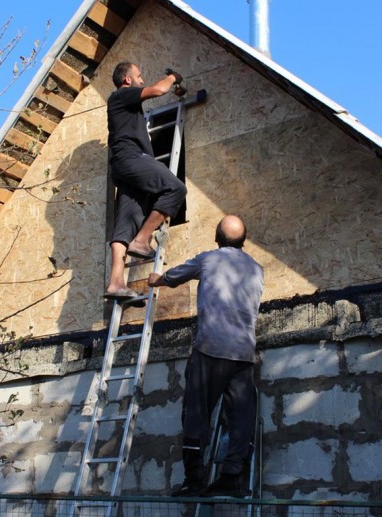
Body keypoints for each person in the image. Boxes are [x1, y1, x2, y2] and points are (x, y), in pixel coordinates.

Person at [148, 215, 264, 497]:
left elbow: (176, 276)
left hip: (210, 349)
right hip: (244, 353)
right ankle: (231, 478)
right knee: (240, 417)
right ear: (244, 240)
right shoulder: (257, 268)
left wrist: (156, 279)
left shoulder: (208, 260)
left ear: (217, 237)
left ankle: (194, 480)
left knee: (196, 413)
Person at [104, 62, 187, 301]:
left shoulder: (121, 105)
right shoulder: (122, 95)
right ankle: (142, 240)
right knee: (175, 188)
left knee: (123, 228)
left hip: (124, 168)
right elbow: (158, 90)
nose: (141, 80)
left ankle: (116, 284)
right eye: (139, 76)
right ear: (127, 80)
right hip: (131, 159)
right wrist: (172, 77)